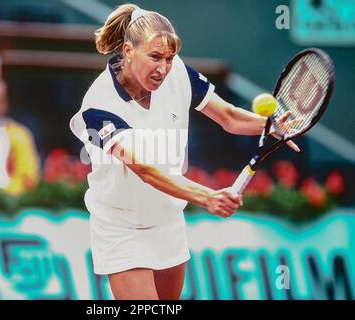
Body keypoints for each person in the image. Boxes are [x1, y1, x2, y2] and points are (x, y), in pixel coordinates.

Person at [70, 4, 299, 300]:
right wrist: (208, 197)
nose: (163, 68)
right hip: (120, 225)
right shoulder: (99, 106)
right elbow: (145, 169)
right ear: (127, 51)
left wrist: (269, 126)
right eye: (154, 57)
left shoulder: (176, 72)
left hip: (167, 220)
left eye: (168, 58)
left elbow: (228, 116)